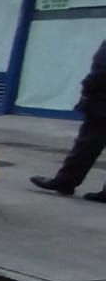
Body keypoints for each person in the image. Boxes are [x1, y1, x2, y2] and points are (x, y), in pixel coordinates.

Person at [31, 38, 106, 202]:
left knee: (87, 143)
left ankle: (65, 181)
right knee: (89, 142)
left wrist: (87, 88)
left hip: (102, 103)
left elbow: (102, 69)